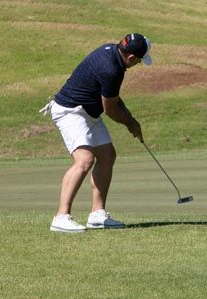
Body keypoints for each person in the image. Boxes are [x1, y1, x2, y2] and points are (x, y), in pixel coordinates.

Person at [41, 33, 153, 233]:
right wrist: (131, 123)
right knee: (84, 159)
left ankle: (97, 214)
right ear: (131, 58)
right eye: (139, 62)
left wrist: (130, 119)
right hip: (70, 111)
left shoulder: (112, 52)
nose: (138, 65)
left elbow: (113, 97)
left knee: (107, 155)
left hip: (88, 111)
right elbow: (110, 109)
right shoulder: (111, 69)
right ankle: (61, 216)